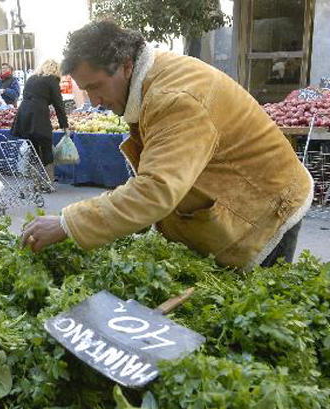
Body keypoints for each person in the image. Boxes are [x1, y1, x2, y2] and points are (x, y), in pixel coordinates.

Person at [21, 21, 313, 271]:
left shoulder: (175, 98)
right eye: (86, 91)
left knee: (250, 298)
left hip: (268, 206)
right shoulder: (148, 81)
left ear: (125, 66)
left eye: (95, 87)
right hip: (239, 192)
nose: (94, 101)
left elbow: (156, 188)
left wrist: (68, 223)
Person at [12, 59, 69, 184]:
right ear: (56, 70)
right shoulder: (52, 80)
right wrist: (65, 126)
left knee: (33, 147)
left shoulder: (32, 78)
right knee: (46, 145)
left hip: (24, 114)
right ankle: (48, 180)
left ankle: (36, 181)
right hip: (38, 115)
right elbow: (59, 104)